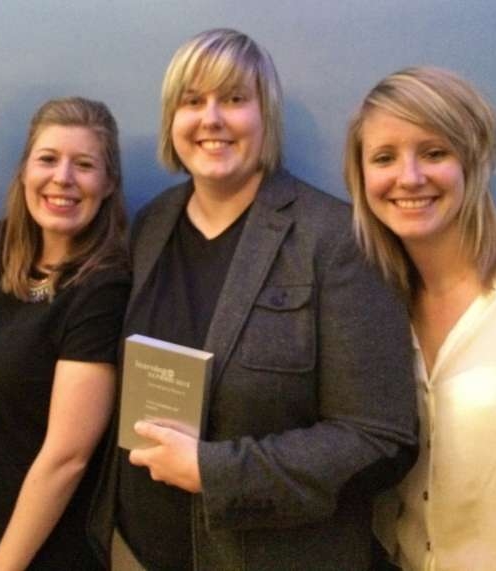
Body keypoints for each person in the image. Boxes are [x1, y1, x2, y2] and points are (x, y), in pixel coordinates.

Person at [88, 28, 418, 570]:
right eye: (192, 101)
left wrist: (214, 472)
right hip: (132, 547)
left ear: (266, 118)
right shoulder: (151, 225)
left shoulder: (335, 239)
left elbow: (380, 438)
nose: (211, 118)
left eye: (235, 99)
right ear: (173, 120)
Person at [344, 66, 496, 570]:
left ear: (472, 159)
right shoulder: (376, 306)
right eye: (384, 158)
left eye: (434, 152)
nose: (409, 177)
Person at [0, 96, 130, 570]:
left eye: (84, 165)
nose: (62, 178)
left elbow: (68, 458)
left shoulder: (103, 289)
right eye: (48, 159)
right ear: (24, 172)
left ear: (107, 185)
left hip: (33, 548)